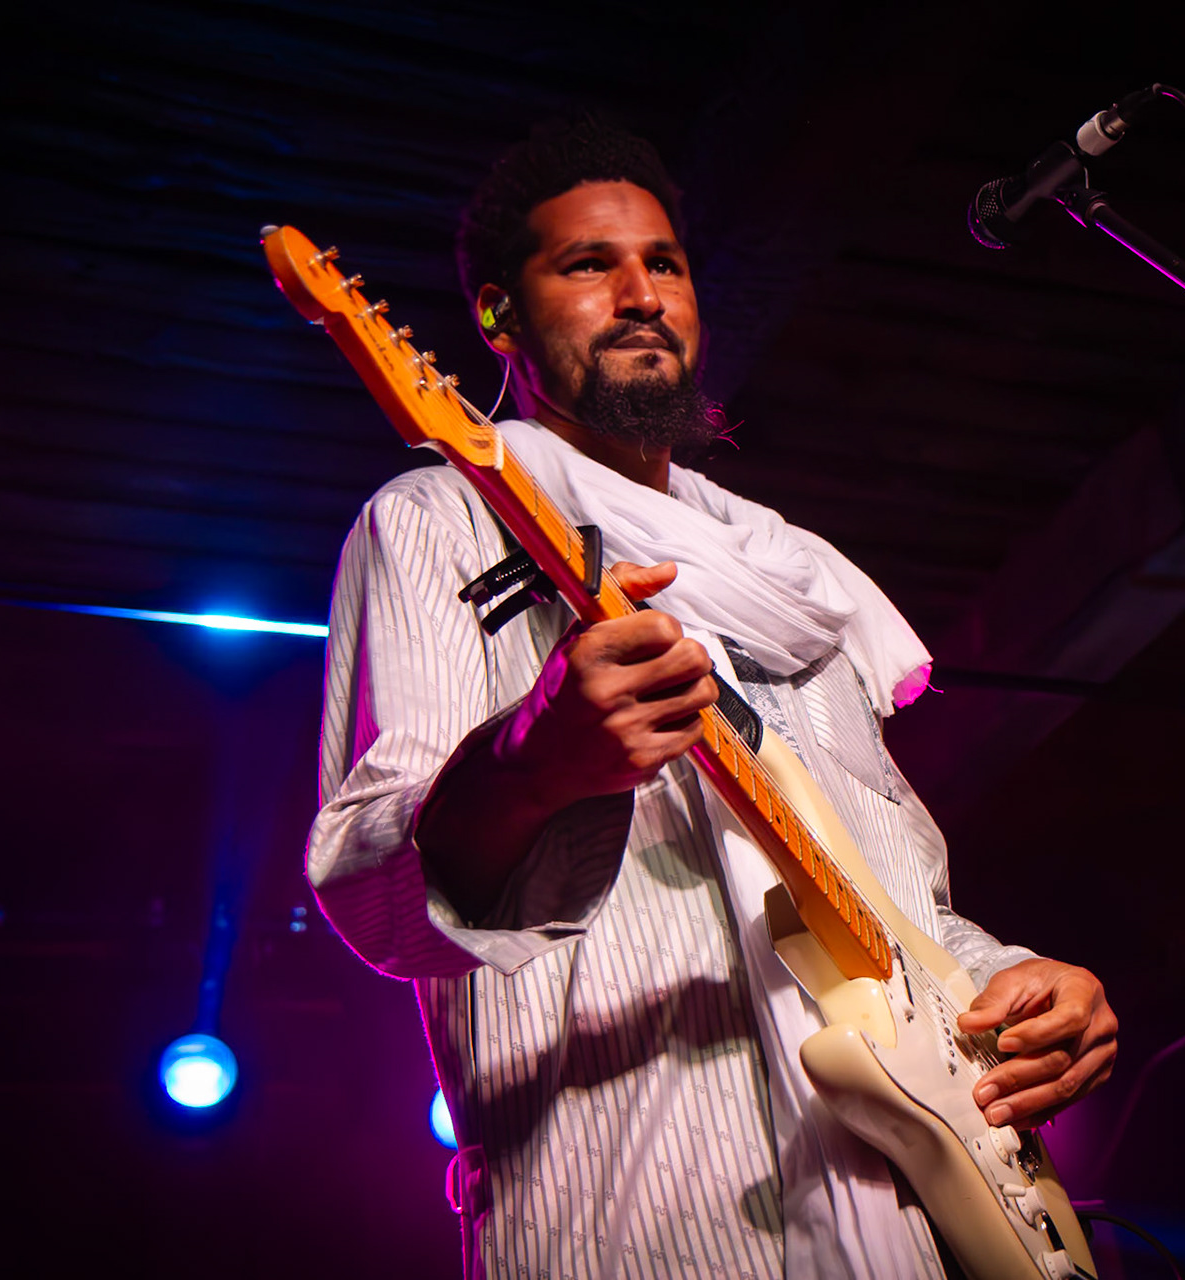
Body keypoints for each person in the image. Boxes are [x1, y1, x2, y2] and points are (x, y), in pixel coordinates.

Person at [306, 117, 1118, 1279]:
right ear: (497, 314)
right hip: (629, 1226)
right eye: (588, 265)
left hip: (909, 1228)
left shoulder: (796, 575)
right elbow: (371, 891)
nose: (641, 294)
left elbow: (895, 900)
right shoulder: (440, 520)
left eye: (666, 264)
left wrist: (1013, 986)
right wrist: (539, 762)